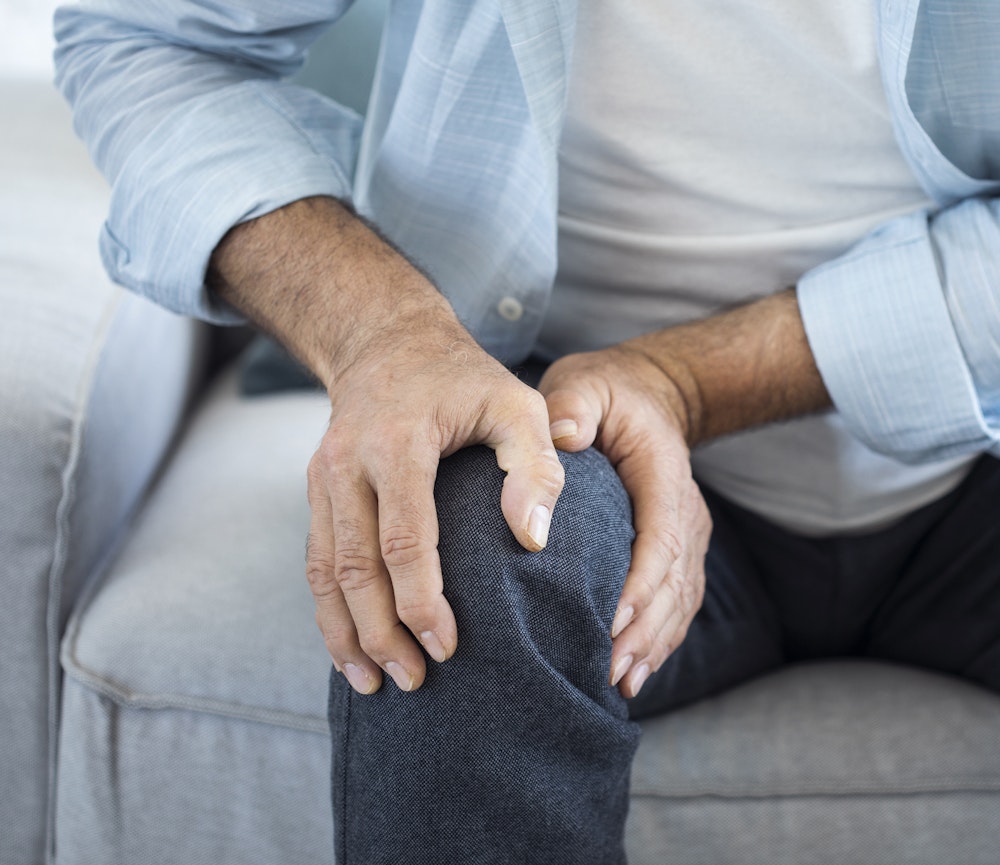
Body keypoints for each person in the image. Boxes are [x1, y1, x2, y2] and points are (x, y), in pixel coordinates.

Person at [54, 1, 1000, 862]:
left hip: (978, 462)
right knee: (462, 553)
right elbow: (151, 39)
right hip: (554, 420)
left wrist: (681, 381)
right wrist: (382, 331)